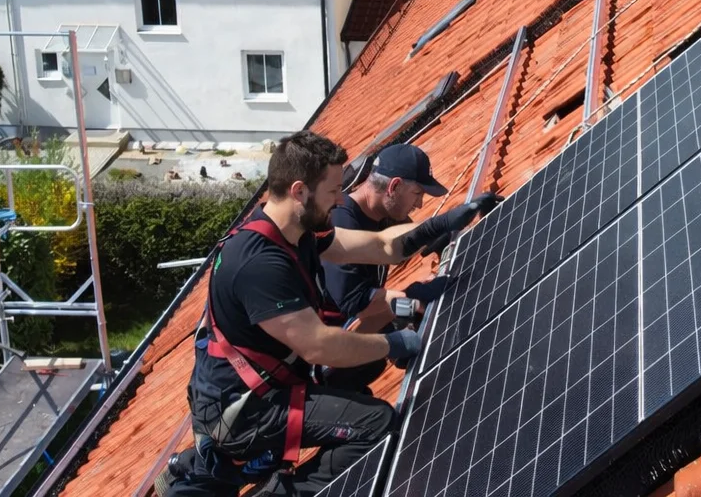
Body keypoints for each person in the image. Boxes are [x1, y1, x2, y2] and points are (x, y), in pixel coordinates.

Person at [163, 130, 496, 496]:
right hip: (244, 411)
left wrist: (447, 221)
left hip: (262, 392)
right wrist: (396, 342)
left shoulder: (298, 233)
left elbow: (383, 245)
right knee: (376, 422)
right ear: (299, 191)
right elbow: (320, 347)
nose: (340, 201)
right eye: (333, 191)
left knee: (358, 392)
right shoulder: (260, 264)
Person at [320, 143, 456, 392]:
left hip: (362, 329)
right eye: (417, 194)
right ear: (394, 187)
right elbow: (357, 311)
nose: (419, 204)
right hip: (328, 356)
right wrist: (412, 303)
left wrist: (456, 236)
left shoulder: (384, 212)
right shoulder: (340, 225)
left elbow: (419, 236)